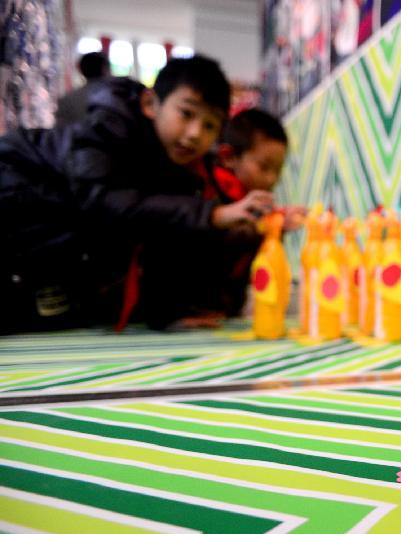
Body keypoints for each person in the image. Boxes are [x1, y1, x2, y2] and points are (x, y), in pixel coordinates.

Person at [0, 55, 272, 334]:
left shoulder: (184, 168)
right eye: (187, 114)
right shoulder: (107, 129)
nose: (194, 134)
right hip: (16, 196)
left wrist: (167, 314)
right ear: (150, 104)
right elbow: (102, 203)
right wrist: (212, 214)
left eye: (210, 126)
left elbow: (162, 239)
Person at [209, 108, 300, 317]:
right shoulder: (210, 196)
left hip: (226, 311)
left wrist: (276, 231)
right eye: (264, 167)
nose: (271, 179)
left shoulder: (256, 205)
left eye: (278, 170)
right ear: (228, 156)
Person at [55, 52, 111, 128]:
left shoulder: (68, 100)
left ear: (81, 70)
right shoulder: (121, 97)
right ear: (105, 69)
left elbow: (61, 132)